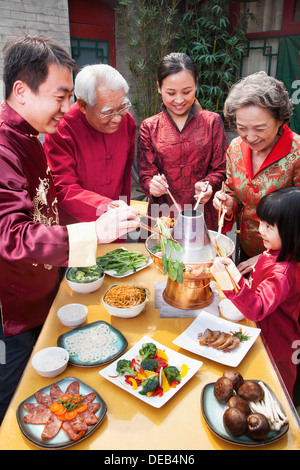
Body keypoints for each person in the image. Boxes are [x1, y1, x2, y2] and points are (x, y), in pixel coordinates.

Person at [0, 35, 140, 424]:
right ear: (21, 91)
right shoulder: (4, 147)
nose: (67, 108)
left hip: (41, 283)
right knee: (11, 390)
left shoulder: (27, 137)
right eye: (61, 97)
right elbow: (11, 235)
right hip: (11, 306)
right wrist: (95, 230)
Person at [211, 187, 300, 400]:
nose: (260, 230)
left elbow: (257, 308)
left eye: (269, 226)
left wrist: (228, 280)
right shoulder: (275, 252)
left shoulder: (283, 272)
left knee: (273, 395)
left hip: (277, 347)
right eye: (261, 222)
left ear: (292, 231)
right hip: (262, 335)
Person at [213, 71, 300, 275]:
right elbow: (234, 191)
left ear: (280, 120)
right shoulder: (235, 148)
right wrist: (228, 203)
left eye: (260, 128)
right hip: (247, 247)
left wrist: (267, 258)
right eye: (242, 128)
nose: (250, 137)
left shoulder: (297, 152)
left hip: (288, 261)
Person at [137, 52, 227, 232]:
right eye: (171, 93)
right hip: (163, 215)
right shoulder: (149, 126)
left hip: (202, 215)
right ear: (159, 88)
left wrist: (209, 184)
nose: (179, 100)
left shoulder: (212, 122)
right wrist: (153, 185)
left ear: (196, 86)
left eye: (187, 92)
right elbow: (146, 175)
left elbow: (221, 169)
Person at [43, 63, 136, 225]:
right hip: (76, 226)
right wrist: (107, 209)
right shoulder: (61, 129)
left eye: (122, 107)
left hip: (116, 219)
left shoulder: (127, 122)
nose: (117, 119)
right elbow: (63, 187)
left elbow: (125, 176)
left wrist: (123, 211)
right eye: (107, 112)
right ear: (83, 105)